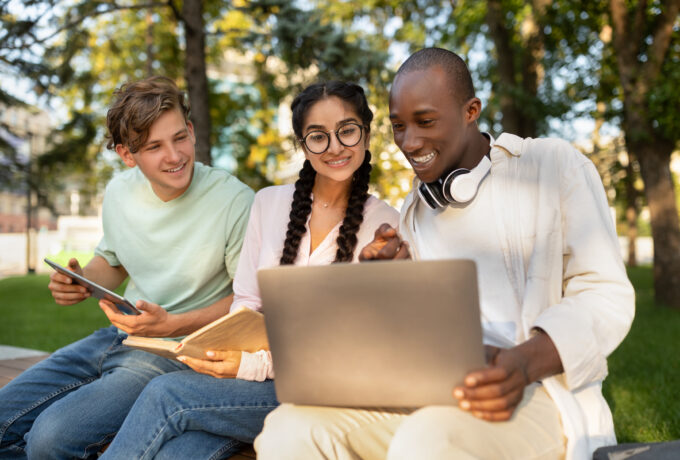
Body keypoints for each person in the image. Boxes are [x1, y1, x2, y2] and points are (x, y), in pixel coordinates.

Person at [254, 48, 635, 460]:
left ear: (471, 110)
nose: (410, 142)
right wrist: (392, 282)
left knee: (428, 440)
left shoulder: (552, 166)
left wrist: (524, 362)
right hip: (435, 396)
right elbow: (422, 334)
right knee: (289, 427)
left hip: (544, 395)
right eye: (398, 126)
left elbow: (606, 295)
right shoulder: (416, 210)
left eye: (426, 121)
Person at [99, 80, 400, 460]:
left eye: (347, 131)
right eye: (318, 136)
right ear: (302, 144)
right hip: (249, 385)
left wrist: (252, 365)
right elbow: (246, 305)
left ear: (367, 134)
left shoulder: (385, 226)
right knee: (180, 452)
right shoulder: (268, 204)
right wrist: (234, 361)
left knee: (167, 393)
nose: (336, 146)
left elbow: (349, 346)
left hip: (322, 396)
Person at [0, 76, 254, 460]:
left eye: (179, 137)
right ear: (127, 154)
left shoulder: (235, 201)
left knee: (50, 440)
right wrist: (81, 280)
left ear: (190, 129)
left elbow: (248, 303)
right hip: (116, 337)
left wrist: (173, 325)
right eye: (154, 146)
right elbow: (112, 262)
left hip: (175, 355)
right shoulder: (119, 192)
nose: (174, 155)